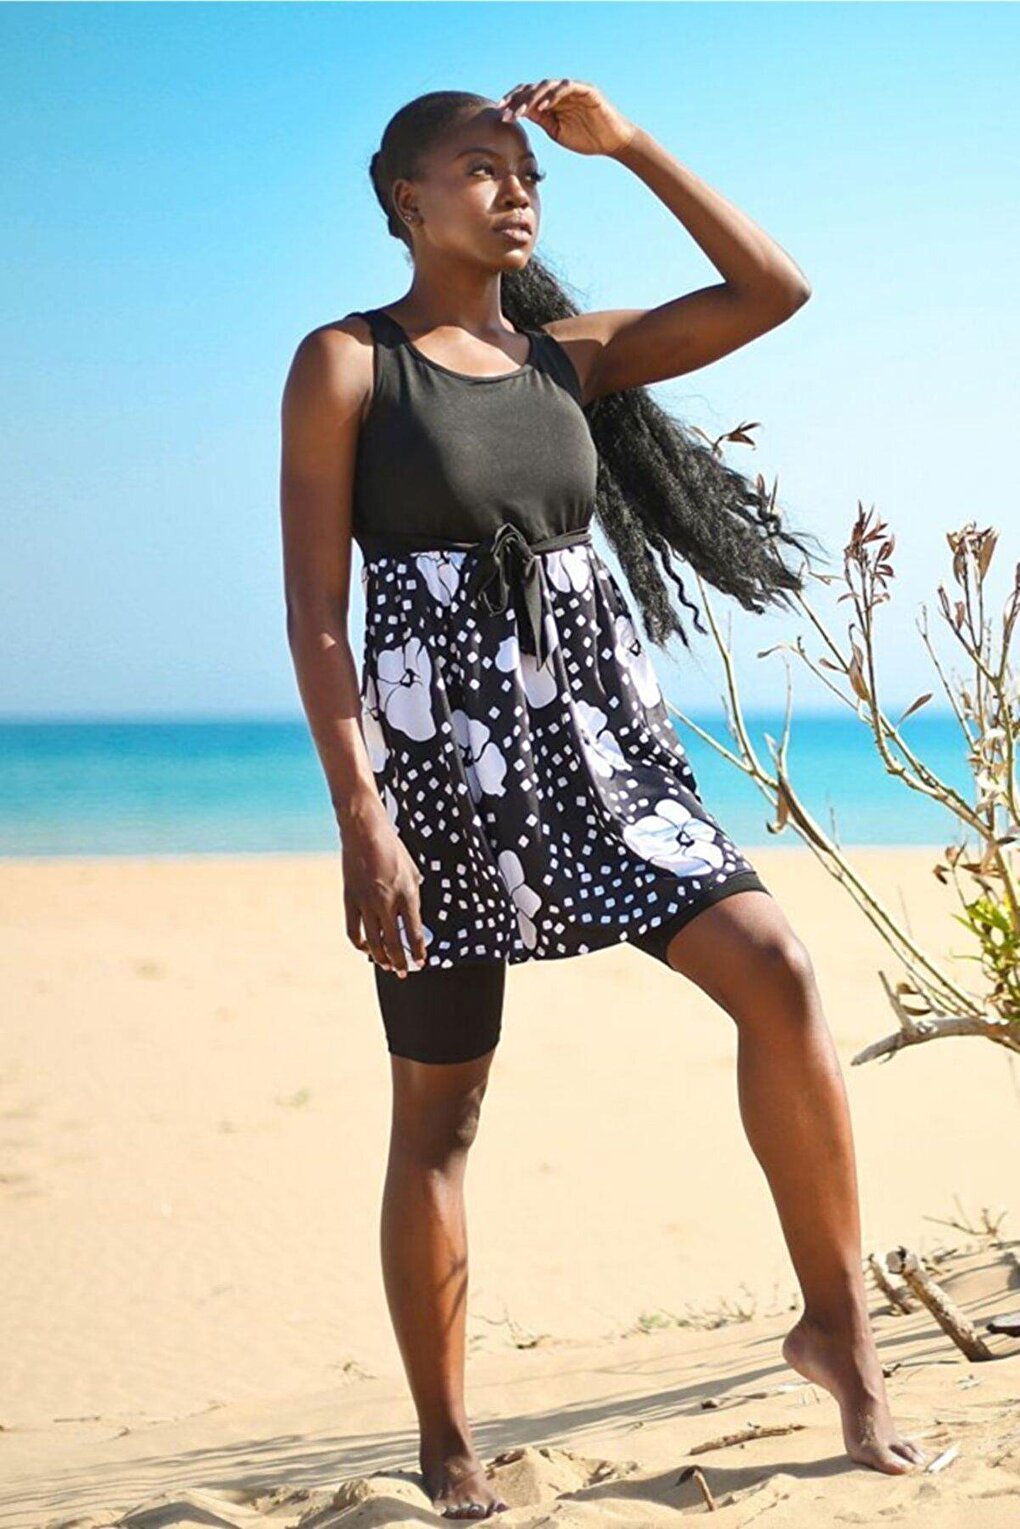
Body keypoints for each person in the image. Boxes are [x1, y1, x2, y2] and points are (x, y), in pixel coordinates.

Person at [280, 80, 927, 1519]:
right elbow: (319, 617)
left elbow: (777, 286)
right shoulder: (347, 365)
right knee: (440, 1115)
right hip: (443, 776)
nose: (517, 191)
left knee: (780, 971)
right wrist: (362, 817)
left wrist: (625, 147)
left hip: (610, 758)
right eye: (482, 169)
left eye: (529, 174)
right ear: (404, 198)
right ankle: (448, 1443)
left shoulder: (573, 359)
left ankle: (842, 1339)